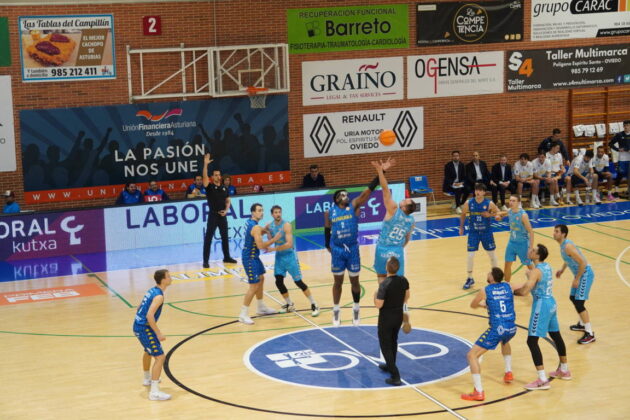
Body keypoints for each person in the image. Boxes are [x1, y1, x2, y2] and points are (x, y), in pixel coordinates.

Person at [324, 161, 387, 326]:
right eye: (343, 194)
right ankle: (336, 310)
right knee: (337, 282)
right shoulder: (329, 212)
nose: (347, 196)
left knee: (355, 282)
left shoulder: (353, 206)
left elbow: (368, 192)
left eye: (347, 194)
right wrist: (327, 245)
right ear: (337, 198)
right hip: (337, 250)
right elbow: (326, 229)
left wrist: (381, 172)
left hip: (352, 249)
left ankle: (356, 308)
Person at [513, 244, 571, 390]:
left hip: (541, 305)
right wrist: (528, 276)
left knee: (531, 341)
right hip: (551, 302)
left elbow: (526, 291)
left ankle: (542, 380)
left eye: (532, 251)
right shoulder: (546, 266)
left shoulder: (536, 271)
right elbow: (535, 279)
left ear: (537, 256)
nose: (529, 250)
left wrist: (512, 292)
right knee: (556, 335)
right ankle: (564, 369)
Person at [461, 267, 516, 402]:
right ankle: (508, 372)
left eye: (489, 273)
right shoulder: (508, 286)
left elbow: (473, 305)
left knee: (471, 355)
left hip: (498, 328)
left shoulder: (485, 290)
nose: (487, 273)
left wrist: (483, 305)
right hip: (512, 327)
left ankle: (478, 392)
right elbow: (523, 287)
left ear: (492, 278)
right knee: (505, 341)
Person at [266, 205, 320, 317]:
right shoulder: (270, 225)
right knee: (278, 282)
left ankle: (314, 303)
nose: (278, 214)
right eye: (275, 212)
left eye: (279, 212)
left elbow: (289, 244)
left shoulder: (286, 225)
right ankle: (289, 304)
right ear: (272, 214)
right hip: (280, 258)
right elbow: (265, 234)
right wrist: (266, 234)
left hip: (290, 257)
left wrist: (273, 248)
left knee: (298, 282)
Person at [371, 159, 417, 284]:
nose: (404, 198)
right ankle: (401, 303)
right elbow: (407, 238)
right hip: (397, 250)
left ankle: (383, 298)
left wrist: (380, 171)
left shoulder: (393, 210)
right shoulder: (411, 220)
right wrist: (400, 248)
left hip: (382, 248)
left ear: (404, 208)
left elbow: (385, 189)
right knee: (399, 280)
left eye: (406, 201)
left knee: (381, 276)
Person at [132, 269, 173, 401]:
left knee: (148, 351)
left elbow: (139, 308)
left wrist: (139, 319)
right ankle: (154, 392)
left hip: (138, 325)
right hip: (144, 328)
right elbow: (150, 315)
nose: (171, 278)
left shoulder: (152, 290)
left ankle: (147, 379)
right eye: (168, 276)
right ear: (163, 280)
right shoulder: (159, 296)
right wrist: (158, 333)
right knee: (160, 357)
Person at [239, 203, 282, 325]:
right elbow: (261, 246)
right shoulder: (256, 227)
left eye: (262, 210)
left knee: (261, 278)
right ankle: (243, 314)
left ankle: (261, 307)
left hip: (254, 256)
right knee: (254, 285)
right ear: (253, 213)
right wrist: (274, 239)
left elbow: (257, 232)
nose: (261, 212)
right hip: (249, 258)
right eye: (259, 210)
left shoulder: (252, 223)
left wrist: (265, 228)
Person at [553, 224, 596, 344]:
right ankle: (582, 324)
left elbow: (583, 262)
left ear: (563, 234)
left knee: (579, 302)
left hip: (585, 274)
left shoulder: (567, 246)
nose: (554, 233)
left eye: (557, 231)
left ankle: (590, 333)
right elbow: (568, 259)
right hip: (580, 275)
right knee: (573, 298)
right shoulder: (563, 245)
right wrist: (562, 270)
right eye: (554, 231)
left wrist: (577, 279)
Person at [374, 257, 410, 386]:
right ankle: (391, 365)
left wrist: (375, 295)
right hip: (398, 315)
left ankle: (395, 375)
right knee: (393, 340)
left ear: (386, 268)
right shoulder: (403, 280)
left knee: (385, 344)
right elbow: (407, 296)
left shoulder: (384, 284)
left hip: (386, 317)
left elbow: (379, 305)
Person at [459, 183, 499, 290]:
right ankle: (470, 278)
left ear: (484, 192)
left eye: (480, 190)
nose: (478, 192)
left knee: (492, 255)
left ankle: (496, 278)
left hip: (486, 232)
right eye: (476, 190)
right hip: (473, 232)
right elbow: (463, 214)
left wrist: (489, 215)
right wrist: (461, 227)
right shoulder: (469, 202)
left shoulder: (489, 203)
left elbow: (499, 213)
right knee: (470, 256)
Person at [202, 153, 237, 268]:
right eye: (215, 175)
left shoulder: (224, 188)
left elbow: (228, 200)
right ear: (212, 177)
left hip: (223, 216)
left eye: (219, 175)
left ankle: (226, 257)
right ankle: (205, 261)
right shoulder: (210, 187)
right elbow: (204, 178)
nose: (218, 177)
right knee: (208, 238)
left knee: (225, 237)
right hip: (213, 215)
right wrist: (205, 165)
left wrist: (226, 210)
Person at [496, 195, 535, 282]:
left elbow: (531, 232)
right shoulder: (510, 211)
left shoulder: (523, 215)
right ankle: (507, 285)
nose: (511, 202)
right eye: (510, 200)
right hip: (512, 243)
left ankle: (537, 282)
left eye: (514, 201)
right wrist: (499, 217)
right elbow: (502, 214)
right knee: (507, 264)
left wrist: (531, 248)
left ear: (518, 203)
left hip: (523, 244)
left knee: (529, 265)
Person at [608, 119, 630, 198]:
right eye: (624, 126)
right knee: (620, 174)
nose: (626, 127)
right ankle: (616, 190)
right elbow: (610, 144)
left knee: (629, 175)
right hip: (622, 158)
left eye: (627, 126)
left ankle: (628, 191)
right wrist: (617, 149)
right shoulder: (619, 135)